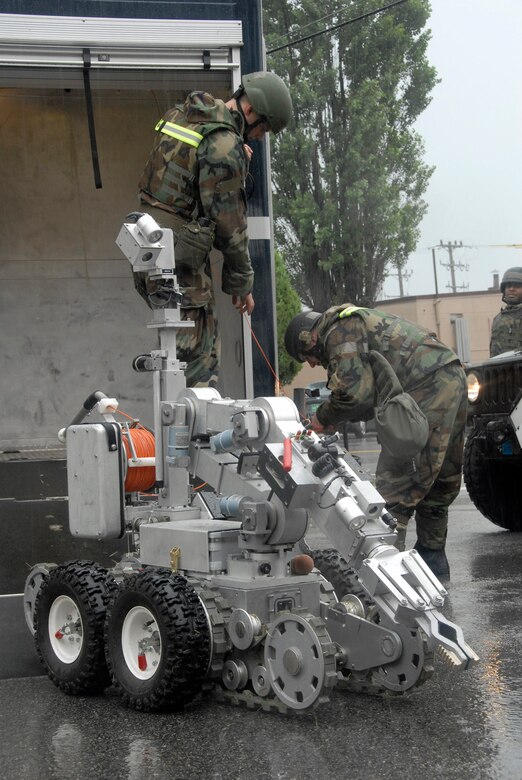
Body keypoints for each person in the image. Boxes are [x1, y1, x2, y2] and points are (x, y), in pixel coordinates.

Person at [284, 305, 468, 579]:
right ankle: (432, 561)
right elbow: (367, 394)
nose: (312, 363)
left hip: (425, 387)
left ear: (307, 338)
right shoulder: (354, 322)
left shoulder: (337, 331)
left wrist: (321, 418)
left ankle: (387, 576)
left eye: (306, 357)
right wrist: (335, 418)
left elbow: (353, 394)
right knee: (439, 478)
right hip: (451, 376)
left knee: (397, 485)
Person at [135, 71, 293, 386]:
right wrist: (242, 284)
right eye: (263, 129)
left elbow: (185, 169)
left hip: (147, 247)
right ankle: (189, 435)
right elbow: (229, 224)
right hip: (180, 263)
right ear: (250, 113)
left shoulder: (182, 115)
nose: (260, 138)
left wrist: (234, 152)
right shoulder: (224, 144)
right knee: (196, 365)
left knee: (173, 354)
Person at [490, 267, 522, 357]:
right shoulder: (498, 319)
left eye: (517, 286)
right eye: (508, 286)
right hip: (499, 369)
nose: (511, 289)